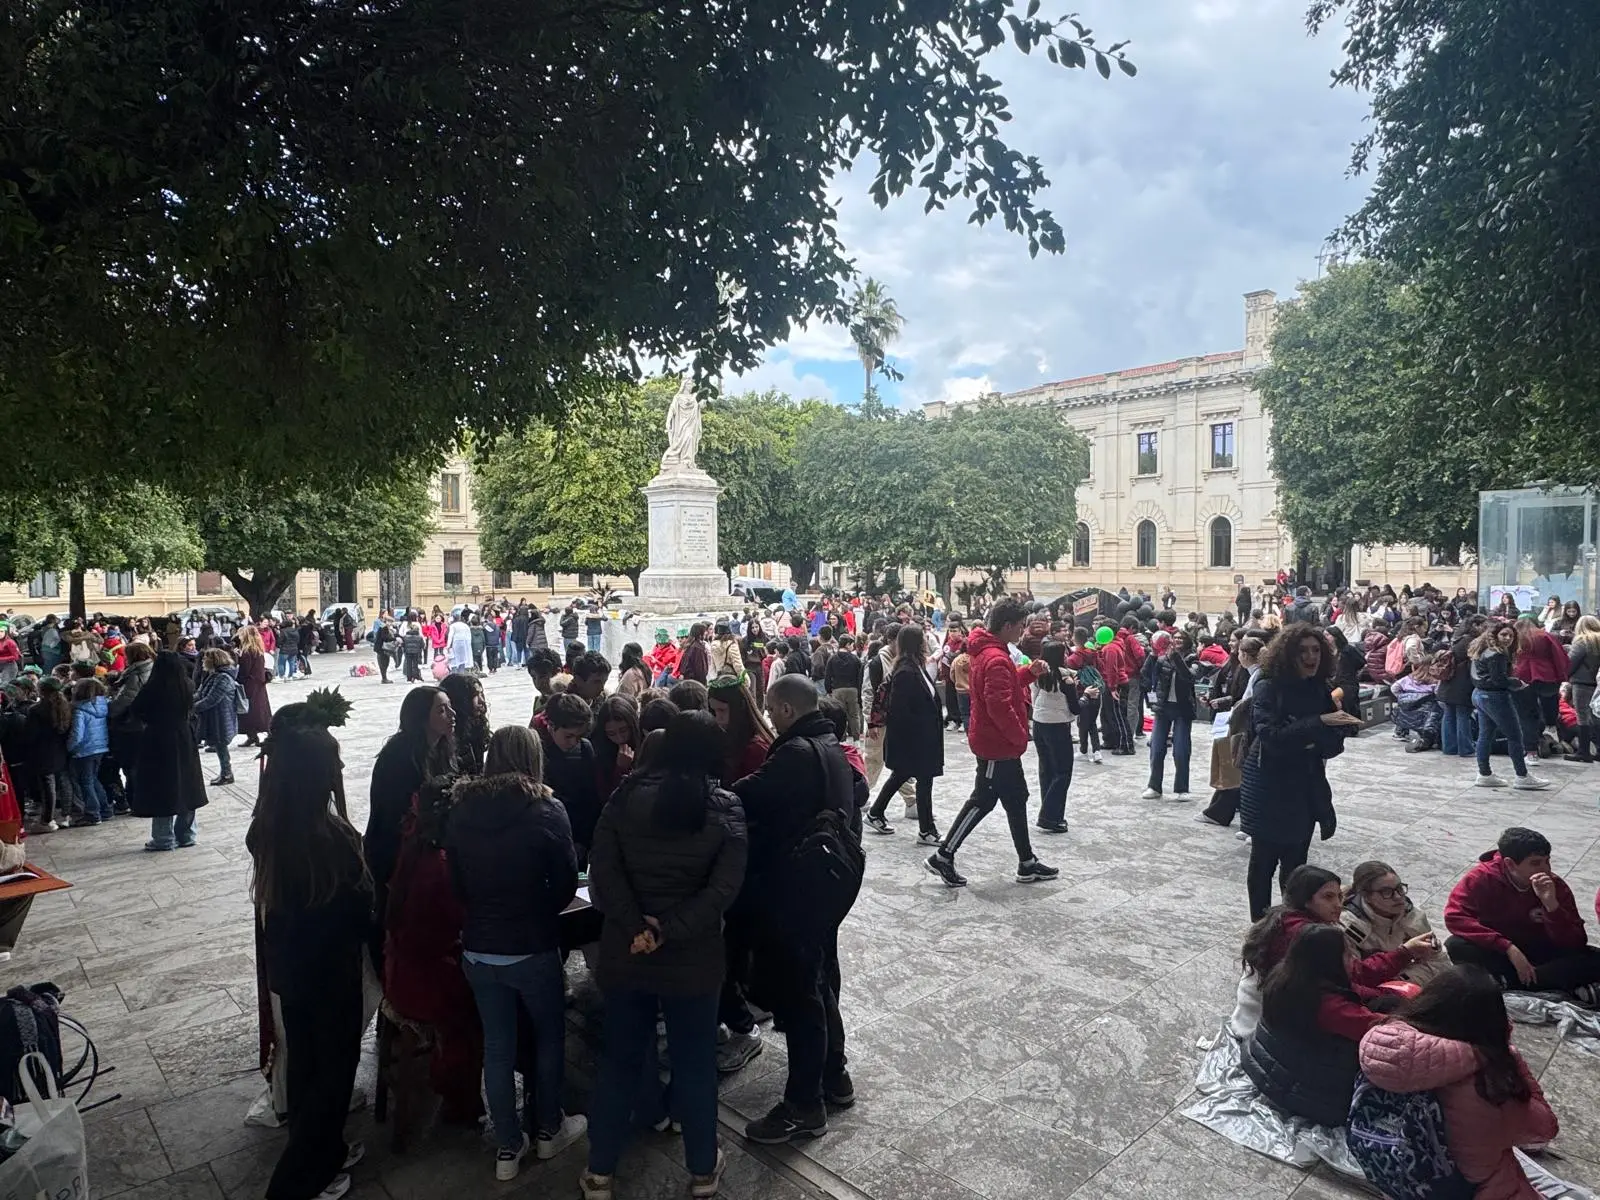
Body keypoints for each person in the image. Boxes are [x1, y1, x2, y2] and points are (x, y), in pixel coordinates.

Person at [580, 710, 748, 1200]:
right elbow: (724, 889)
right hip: (692, 959)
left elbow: (601, 872)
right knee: (695, 1064)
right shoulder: (726, 807)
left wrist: (638, 927)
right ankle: (701, 1170)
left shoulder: (625, 795)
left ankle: (599, 1173)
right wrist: (669, 930)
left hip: (626, 953)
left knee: (620, 1062)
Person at [730, 675, 857, 1145]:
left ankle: (804, 1106)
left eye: (770, 707)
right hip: (826, 887)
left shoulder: (795, 754)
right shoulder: (830, 745)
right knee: (820, 983)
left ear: (784, 709)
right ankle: (834, 1076)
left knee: (802, 996)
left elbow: (741, 796)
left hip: (796, 892)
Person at [248, 715, 370, 1200]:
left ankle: (327, 1148)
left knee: (305, 1063)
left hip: (290, 969)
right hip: (329, 972)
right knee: (333, 1071)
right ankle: (303, 1177)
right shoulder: (329, 840)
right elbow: (359, 911)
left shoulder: (269, 827)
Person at [446, 760, 584, 1179]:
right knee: (548, 1036)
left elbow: (457, 884)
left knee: (498, 1045)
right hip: (530, 947)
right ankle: (548, 1127)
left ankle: (507, 1145)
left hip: (479, 950)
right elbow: (565, 882)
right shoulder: (548, 811)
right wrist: (536, 913)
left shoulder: (462, 814)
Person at [1358, 966, 1558, 1200]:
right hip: (1462, 1187)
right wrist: (1511, 1059)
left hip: (1389, 1166)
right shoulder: (1490, 1080)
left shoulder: (1383, 1040)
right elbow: (1545, 1127)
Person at [925, 598, 1060, 888]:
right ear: (1008, 626)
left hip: (996, 742)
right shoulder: (996, 657)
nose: (1023, 632)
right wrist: (1019, 735)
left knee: (1016, 799)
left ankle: (1026, 861)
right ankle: (944, 854)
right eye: (1021, 626)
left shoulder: (990, 652)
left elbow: (1004, 687)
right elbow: (998, 703)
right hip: (996, 745)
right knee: (982, 800)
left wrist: (1028, 673)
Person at [381, 773, 483, 1128]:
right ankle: (461, 1098)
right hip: (429, 981)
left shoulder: (413, 846)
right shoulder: (440, 866)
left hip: (399, 970)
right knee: (489, 1000)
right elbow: (463, 921)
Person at [1239, 625, 1361, 920]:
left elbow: (1331, 746)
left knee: (1296, 866)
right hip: (1269, 785)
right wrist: (1318, 724)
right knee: (1263, 863)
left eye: (1316, 650)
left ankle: (1291, 925)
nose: (1311, 657)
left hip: (1305, 787)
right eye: (1303, 651)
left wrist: (1328, 728)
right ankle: (1261, 927)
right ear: (1288, 654)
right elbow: (1272, 737)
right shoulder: (1268, 685)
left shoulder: (1319, 687)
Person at [1241, 924, 1386, 1126]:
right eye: (1346, 954)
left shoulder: (1287, 975)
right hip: (1311, 1094)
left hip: (1268, 1063)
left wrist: (1382, 995)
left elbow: (1353, 990)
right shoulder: (1329, 1006)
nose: (1353, 959)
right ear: (1329, 962)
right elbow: (1381, 1030)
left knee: (1385, 1001)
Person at [1443, 827, 1600, 1002]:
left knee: (1593, 958)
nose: (1545, 869)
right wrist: (1508, 947)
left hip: (1539, 949)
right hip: (1501, 950)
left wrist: (1552, 907)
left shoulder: (1555, 886)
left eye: (1547, 861)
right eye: (1535, 863)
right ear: (1510, 864)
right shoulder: (1481, 878)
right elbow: (1455, 917)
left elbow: (1576, 941)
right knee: (1456, 944)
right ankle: (1547, 985)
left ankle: (1509, 983)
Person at [366, 686, 456, 939]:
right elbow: (393, 815)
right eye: (441, 709)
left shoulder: (441, 748)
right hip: (397, 852)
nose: (452, 714)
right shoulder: (400, 756)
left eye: (449, 706)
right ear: (421, 717)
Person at [864, 625, 944, 843]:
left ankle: (876, 812)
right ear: (916, 644)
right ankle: (926, 830)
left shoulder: (915, 667)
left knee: (902, 775)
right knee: (923, 780)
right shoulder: (906, 672)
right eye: (923, 640)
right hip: (917, 739)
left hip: (922, 737)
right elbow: (901, 711)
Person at [131, 651, 208, 851]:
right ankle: (187, 834)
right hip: (184, 737)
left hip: (158, 739)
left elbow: (136, 710)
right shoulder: (187, 685)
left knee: (162, 787)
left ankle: (164, 837)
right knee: (188, 784)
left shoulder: (153, 688)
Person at [1468, 623, 1549, 789]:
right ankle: (1522, 775)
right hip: (1495, 697)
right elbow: (1500, 680)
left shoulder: (1482, 651)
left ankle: (1484, 773)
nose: (1507, 639)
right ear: (1495, 635)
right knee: (1515, 736)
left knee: (1485, 735)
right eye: (1504, 635)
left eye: (1511, 636)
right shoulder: (1497, 655)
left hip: (1480, 694)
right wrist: (1517, 682)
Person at [1341, 860, 1447, 986]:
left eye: (1399, 888)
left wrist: (1401, 983)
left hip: (1400, 983)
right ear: (1366, 896)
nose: (1397, 897)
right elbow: (1356, 977)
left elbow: (1437, 961)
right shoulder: (1348, 927)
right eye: (1386, 892)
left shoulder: (1412, 916)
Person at [533, 692, 603, 862]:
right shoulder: (535, 752)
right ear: (550, 725)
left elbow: (591, 799)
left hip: (578, 831)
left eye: (579, 737)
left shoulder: (584, 749)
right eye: (568, 736)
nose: (573, 743)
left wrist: (583, 841)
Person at [1141, 631, 1195, 801]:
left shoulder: (1193, 659)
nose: (1177, 640)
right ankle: (1154, 786)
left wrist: (1176, 658)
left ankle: (1182, 788)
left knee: (1181, 750)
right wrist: (1152, 654)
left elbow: (1190, 677)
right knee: (1156, 748)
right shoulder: (1162, 658)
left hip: (1182, 709)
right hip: (1163, 708)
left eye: (1181, 638)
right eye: (1175, 638)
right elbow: (1146, 673)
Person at [191, 648, 241, 787]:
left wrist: (191, 708)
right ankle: (225, 772)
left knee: (221, 745)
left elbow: (212, 699)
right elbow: (201, 693)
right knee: (219, 745)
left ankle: (227, 773)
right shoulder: (213, 675)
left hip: (221, 717)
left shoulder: (223, 677)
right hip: (215, 716)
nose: (202, 662)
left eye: (205, 659)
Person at [67, 678, 113, 823]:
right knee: (93, 779)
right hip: (100, 747)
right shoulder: (103, 706)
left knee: (86, 782)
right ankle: (105, 809)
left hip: (84, 749)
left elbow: (77, 734)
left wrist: (70, 747)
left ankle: (93, 814)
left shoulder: (79, 710)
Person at [1437, 614, 1483, 759]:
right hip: (1462, 684)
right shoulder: (1472, 642)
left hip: (1449, 683)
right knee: (1463, 715)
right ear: (1475, 625)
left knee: (1449, 715)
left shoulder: (1457, 638)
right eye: (1483, 625)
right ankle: (1466, 748)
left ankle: (1449, 747)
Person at [437, 671, 489, 775]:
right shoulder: (443, 737)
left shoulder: (477, 728)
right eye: (475, 696)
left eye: (481, 694)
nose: (482, 701)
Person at [1565, 614, 1600, 762]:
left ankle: (1583, 751)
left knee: (1582, 716)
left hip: (1582, 682)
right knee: (1596, 715)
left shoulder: (1583, 640)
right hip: (1596, 682)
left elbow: (1570, 663)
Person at [593, 694, 641, 797]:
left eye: (623, 730)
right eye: (611, 734)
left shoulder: (644, 744)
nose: (619, 738)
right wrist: (621, 769)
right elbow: (607, 796)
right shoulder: (600, 754)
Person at [236, 625, 273, 744]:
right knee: (260, 709)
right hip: (258, 684)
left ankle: (255, 734)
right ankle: (253, 735)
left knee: (251, 711)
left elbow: (244, 671)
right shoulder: (258, 650)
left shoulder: (247, 652)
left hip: (250, 685)